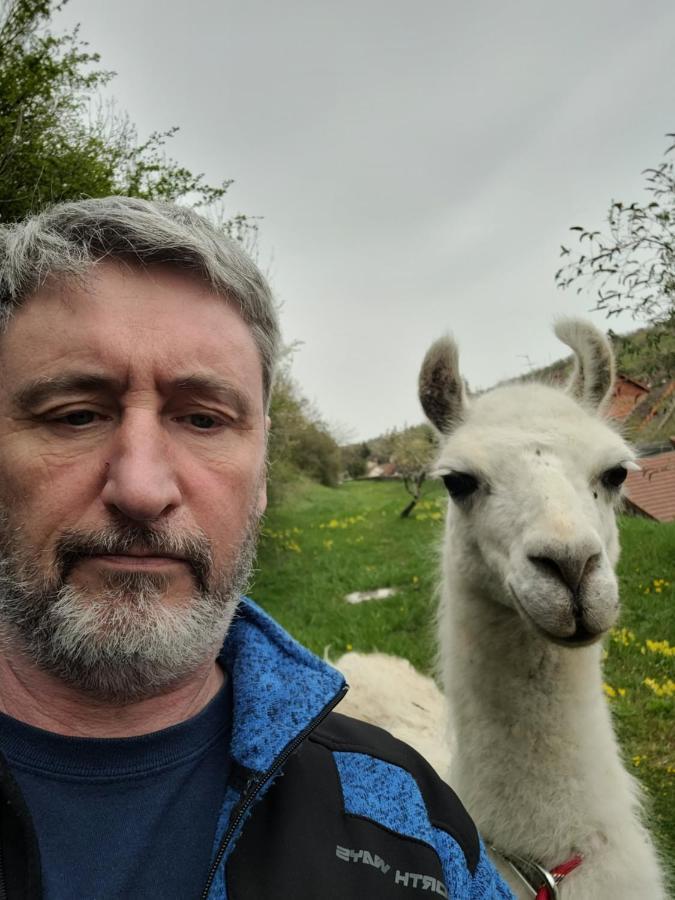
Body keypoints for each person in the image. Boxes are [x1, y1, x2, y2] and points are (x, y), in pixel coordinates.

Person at [0, 197, 512, 899]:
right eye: (76, 415)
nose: (142, 488)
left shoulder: (415, 828)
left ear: (261, 474)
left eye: (203, 419)